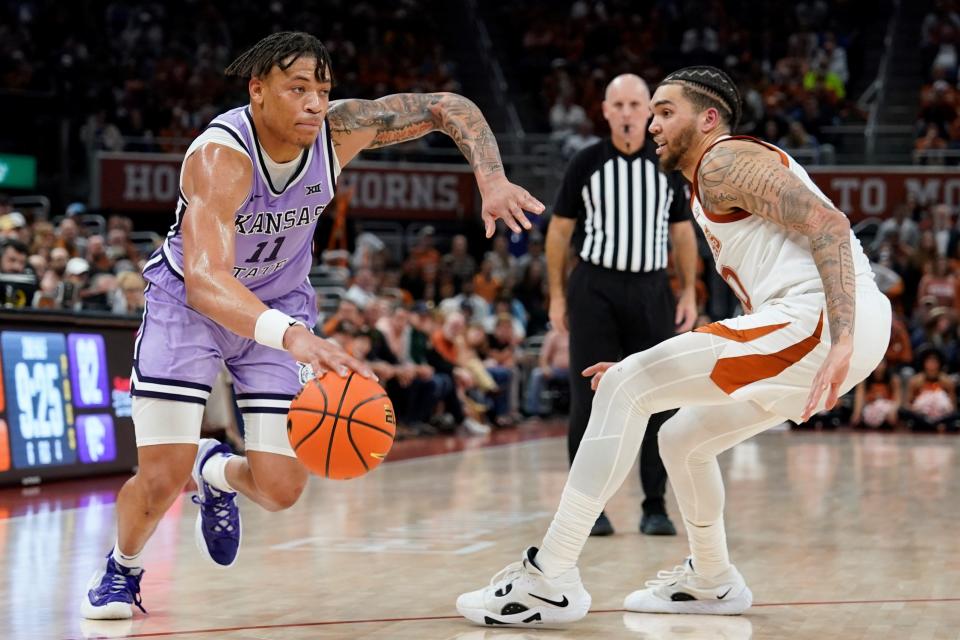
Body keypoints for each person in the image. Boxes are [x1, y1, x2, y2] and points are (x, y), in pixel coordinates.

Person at [81, 31, 543, 620]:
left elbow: (447, 105)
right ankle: (122, 567)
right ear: (258, 90)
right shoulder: (221, 157)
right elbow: (205, 280)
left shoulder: (338, 131)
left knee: (281, 488)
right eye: (297, 89)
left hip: (278, 301)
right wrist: (293, 335)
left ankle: (214, 471)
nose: (314, 104)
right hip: (189, 308)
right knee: (159, 478)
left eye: (321, 90)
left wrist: (492, 178)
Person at [457, 65, 891, 626]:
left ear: (708, 118)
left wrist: (842, 334)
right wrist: (651, 367)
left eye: (665, 112)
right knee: (683, 437)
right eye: (651, 112)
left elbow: (829, 225)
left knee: (624, 387)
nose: (652, 124)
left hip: (823, 320)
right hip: (818, 324)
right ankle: (712, 580)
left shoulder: (724, 159)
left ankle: (549, 579)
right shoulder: (703, 182)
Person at [546, 73, 699, 537]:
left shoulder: (666, 164)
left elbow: (682, 231)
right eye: (621, 105)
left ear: (649, 111)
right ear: (606, 111)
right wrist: (555, 294)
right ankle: (589, 509)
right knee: (588, 401)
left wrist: (689, 290)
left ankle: (655, 506)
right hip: (594, 289)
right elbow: (559, 231)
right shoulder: (586, 162)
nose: (630, 113)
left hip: (653, 289)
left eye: (638, 104)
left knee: (660, 400)